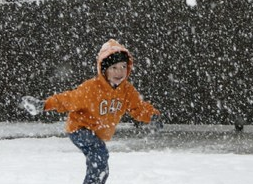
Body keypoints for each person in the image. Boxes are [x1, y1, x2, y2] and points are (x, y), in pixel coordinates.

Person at [22, 39, 160, 184]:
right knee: (99, 155)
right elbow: (67, 99)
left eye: (123, 66)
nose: (120, 72)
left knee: (102, 165)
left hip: (98, 133)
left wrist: (152, 116)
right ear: (104, 69)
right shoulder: (91, 89)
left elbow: (138, 107)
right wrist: (44, 105)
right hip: (79, 129)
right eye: (114, 67)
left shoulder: (127, 91)